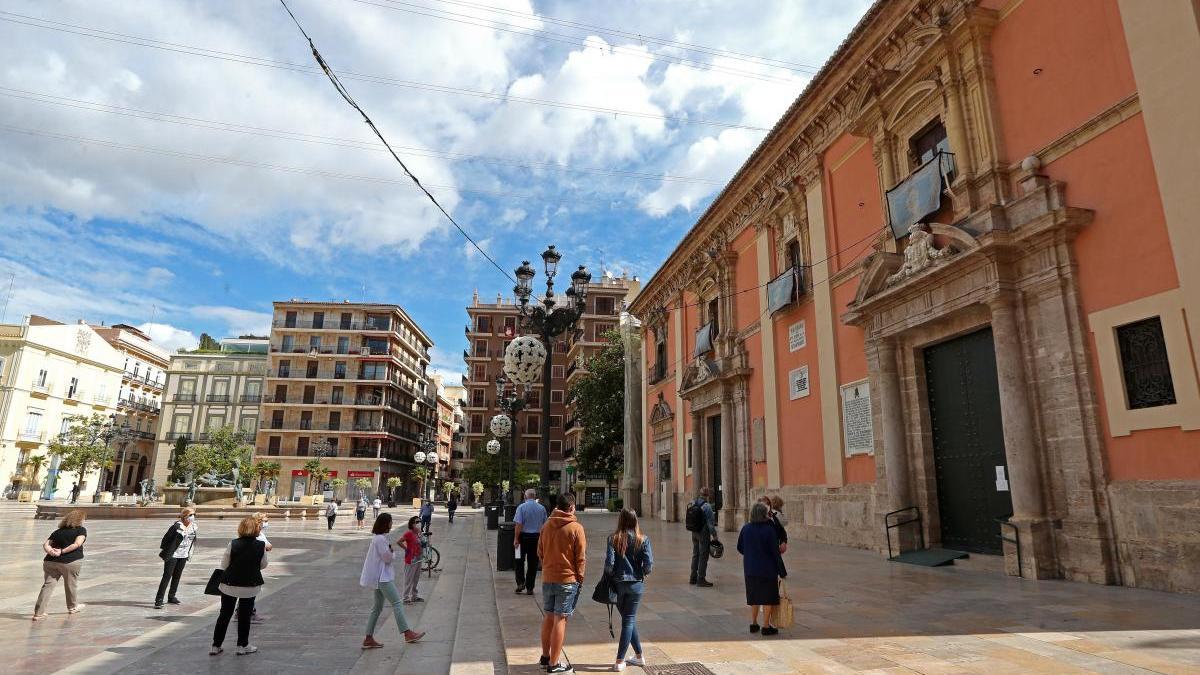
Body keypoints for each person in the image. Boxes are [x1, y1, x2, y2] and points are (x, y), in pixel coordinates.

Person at [537, 493, 586, 674]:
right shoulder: (576, 528)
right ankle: (555, 663)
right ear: (572, 507)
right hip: (567, 579)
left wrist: (548, 566)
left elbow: (540, 552)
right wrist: (579, 578)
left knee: (548, 616)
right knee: (560, 619)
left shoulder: (546, 525)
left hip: (548, 578)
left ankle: (545, 657)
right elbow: (580, 558)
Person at [360, 513, 425, 649]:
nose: (391, 524)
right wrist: (393, 553)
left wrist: (390, 551)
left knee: (377, 608)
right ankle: (407, 633)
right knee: (397, 603)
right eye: (390, 522)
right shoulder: (380, 540)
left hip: (379, 577)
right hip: (383, 578)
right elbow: (387, 558)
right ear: (385, 524)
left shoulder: (379, 538)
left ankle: (368, 637)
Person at [210, 516, 268, 656]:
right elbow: (263, 565)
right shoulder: (261, 545)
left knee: (224, 615)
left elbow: (224, 564)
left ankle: (216, 646)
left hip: (230, 584)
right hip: (250, 585)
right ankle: (242, 646)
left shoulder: (233, 543)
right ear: (256, 529)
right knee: (244, 616)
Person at [605, 509, 653, 672]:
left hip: (618, 585)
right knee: (629, 620)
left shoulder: (613, 538)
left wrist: (612, 576)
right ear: (635, 521)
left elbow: (609, 565)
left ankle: (620, 660)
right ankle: (639, 656)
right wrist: (642, 573)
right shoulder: (643, 539)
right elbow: (648, 566)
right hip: (636, 584)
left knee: (628, 620)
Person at [737, 502, 787, 637]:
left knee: (754, 597)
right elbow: (775, 553)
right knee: (768, 598)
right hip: (767, 569)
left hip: (750, 568)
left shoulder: (745, 528)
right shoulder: (769, 530)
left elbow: (740, 547)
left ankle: (753, 623)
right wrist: (782, 571)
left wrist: (751, 554)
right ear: (763, 515)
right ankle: (766, 626)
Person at [32, 509, 87, 620]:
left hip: (50, 561)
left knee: (47, 586)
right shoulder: (81, 530)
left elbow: (46, 544)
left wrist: (51, 551)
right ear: (80, 520)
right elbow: (77, 544)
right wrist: (62, 551)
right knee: (71, 584)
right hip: (70, 562)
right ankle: (72, 607)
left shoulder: (58, 531)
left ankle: (38, 613)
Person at [155, 507, 197, 609]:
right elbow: (165, 540)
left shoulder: (194, 527)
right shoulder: (176, 527)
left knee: (177, 576)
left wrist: (189, 552)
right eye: (191, 515)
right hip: (173, 555)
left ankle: (171, 596)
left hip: (184, 555)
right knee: (167, 576)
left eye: (194, 515)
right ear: (185, 516)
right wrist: (169, 550)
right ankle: (159, 600)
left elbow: (193, 541)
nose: (193, 517)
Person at [512, 488, 548, 595]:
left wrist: (516, 538)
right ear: (535, 496)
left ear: (525, 497)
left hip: (522, 538)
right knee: (533, 563)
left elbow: (518, 525)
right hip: (536, 538)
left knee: (518, 560)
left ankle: (520, 583)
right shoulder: (542, 508)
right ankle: (530, 587)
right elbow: (545, 525)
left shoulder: (521, 507)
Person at [686, 487, 718, 587]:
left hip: (694, 531)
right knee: (703, 556)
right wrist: (714, 535)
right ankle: (701, 578)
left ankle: (693, 577)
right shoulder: (707, 506)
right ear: (707, 495)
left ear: (700, 494)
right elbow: (710, 524)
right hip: (703, 533)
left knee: (695, 554)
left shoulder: (693, 502)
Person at [249, 513, 274, 624]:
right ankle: (249, 613)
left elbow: (268, 546)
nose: (266, 523)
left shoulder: (261, 534)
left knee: (250, 590)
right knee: (251, 591)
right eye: (264, 521)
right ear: (258, 521)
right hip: (252, 566)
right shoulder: (256, 534)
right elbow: (268, 546)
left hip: (255, 566)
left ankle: (241, 611)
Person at [398, 516, 424, 603]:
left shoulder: (419, 533)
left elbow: (421, 543)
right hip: (411, 559)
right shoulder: (409, 533)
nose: (418, 524)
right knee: (409, 579)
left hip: (419, 558)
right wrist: (406, 549)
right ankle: (405, 598)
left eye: (419, 522)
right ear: (412, 524)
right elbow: (399, 541)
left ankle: (414, 596)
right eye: (416, 522)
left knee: (416, 578)